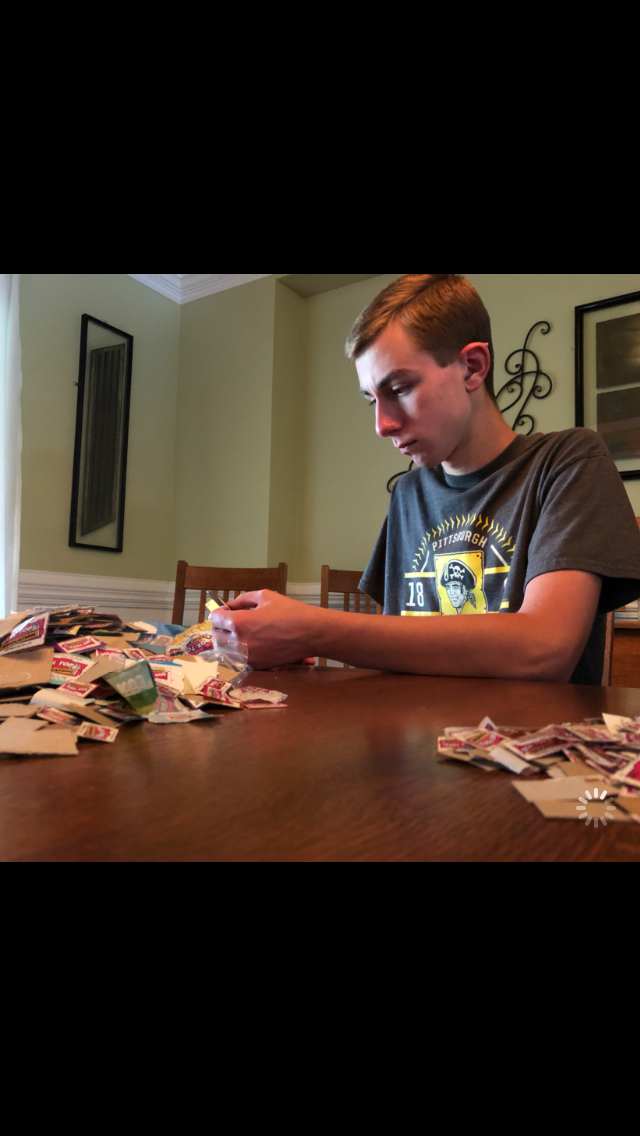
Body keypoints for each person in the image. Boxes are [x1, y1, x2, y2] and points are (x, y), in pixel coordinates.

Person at [211, 274, 640, 684]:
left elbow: (544, 649)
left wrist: (312, 630)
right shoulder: (408, 493)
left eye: (399, 389)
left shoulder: (569, 461)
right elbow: (398, 651)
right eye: (372, 400)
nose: (382, 425)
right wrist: (287, 641)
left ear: (472, 367)